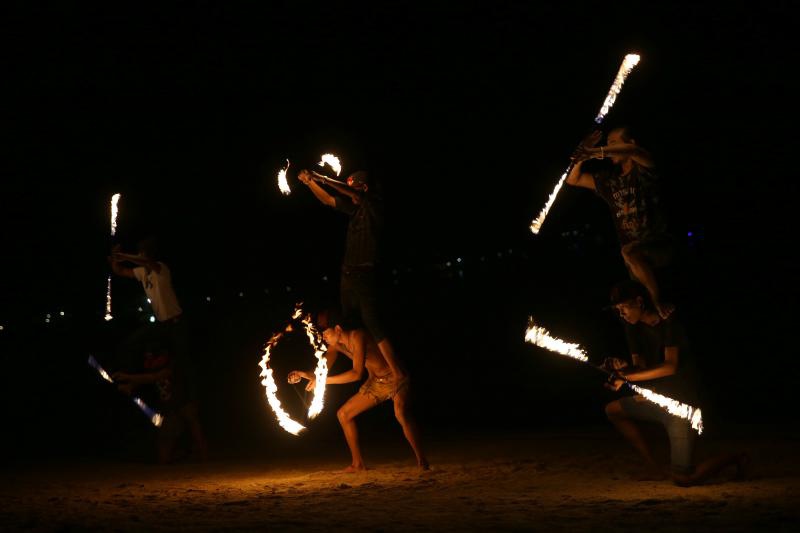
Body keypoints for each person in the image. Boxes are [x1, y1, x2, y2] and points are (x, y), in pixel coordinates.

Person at [603, 279, 748, 486]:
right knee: (613, 410)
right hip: (657, 401)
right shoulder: (631, 327)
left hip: (682, 406)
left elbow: (670, 366)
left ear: (639, 301)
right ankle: (654, 467)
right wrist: (621, 369)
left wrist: (626, 377)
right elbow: (639, 368)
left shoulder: (670, 323)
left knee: (683, 478)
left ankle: (735, 458)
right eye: (618, 309)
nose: (621, 313)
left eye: (624, 307)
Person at [297, 168, 407, 389]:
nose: (351, 196)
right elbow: (328, 200)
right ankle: (363, 371)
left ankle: (397, 372)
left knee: (371, 321)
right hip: (347, 274)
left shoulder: (374, 205)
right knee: (346, 324)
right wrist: (311, 183)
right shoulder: (355, 209)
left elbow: (351, 193)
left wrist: (321, 177)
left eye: (354, 190)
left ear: (364, 188)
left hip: (365, 274)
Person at [108, 237, 207, 463]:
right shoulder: (142, 272)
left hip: (177, 325)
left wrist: (125, 256)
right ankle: (129, 378)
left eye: (142, 254)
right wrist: (114, 259)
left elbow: (146, 262)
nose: (140, 258)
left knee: (178, 366)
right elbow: (120, 271)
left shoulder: (161, 268)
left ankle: (186, 405)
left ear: (148, 255)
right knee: (132, 342)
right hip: (163, 326)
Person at [288, 322, 428, 472]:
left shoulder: (358, 336)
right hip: (376, 382)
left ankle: (422, 461)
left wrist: (323, 381)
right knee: (344, 414)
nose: (323, 337)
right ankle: (357, 464)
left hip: (395, 378)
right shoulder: (335, 345)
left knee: (400, 413)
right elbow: (322, 370)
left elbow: (356, 374)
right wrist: (304, 374)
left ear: (338, 329)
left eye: (326, 332)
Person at [567, 127, 675, 319]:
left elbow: (633, 152)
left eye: (613, 144)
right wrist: (582, 154)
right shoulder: (610, 180)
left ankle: (657, 300)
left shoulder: (645, 168)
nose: (609, 149)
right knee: (646, 312)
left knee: (630, 253)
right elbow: (573, 179)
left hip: (659, 247)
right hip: (635, 262)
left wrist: (594, 152)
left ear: (630, 142)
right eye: (608, 145)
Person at [112, 341, 208, 464]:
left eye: (151, 357)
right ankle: (179, 457)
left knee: (194, 428)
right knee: (163, 450)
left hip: (183, 404)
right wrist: (129, 386)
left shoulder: (171, 366)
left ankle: (204, 459)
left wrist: (128, 377)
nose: (149, 360)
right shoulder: (153, 367)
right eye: (147, 357)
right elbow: (148, 379)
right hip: (168, 410)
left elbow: (153, 377)